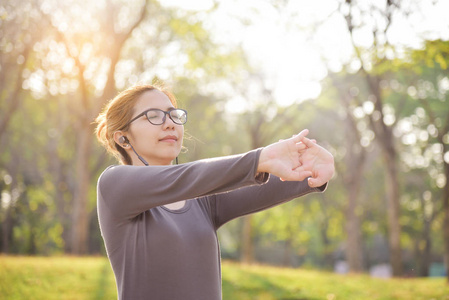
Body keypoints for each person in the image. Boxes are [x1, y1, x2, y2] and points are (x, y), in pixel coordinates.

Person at [95, 84, 334, 300]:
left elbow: (261, 185)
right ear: (123, 139)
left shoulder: (202, 200)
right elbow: (192, 177)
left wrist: (310, 171)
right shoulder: (114, 184)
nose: (169, 123)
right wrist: (261, 158)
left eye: (173, 115)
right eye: (153, 116)